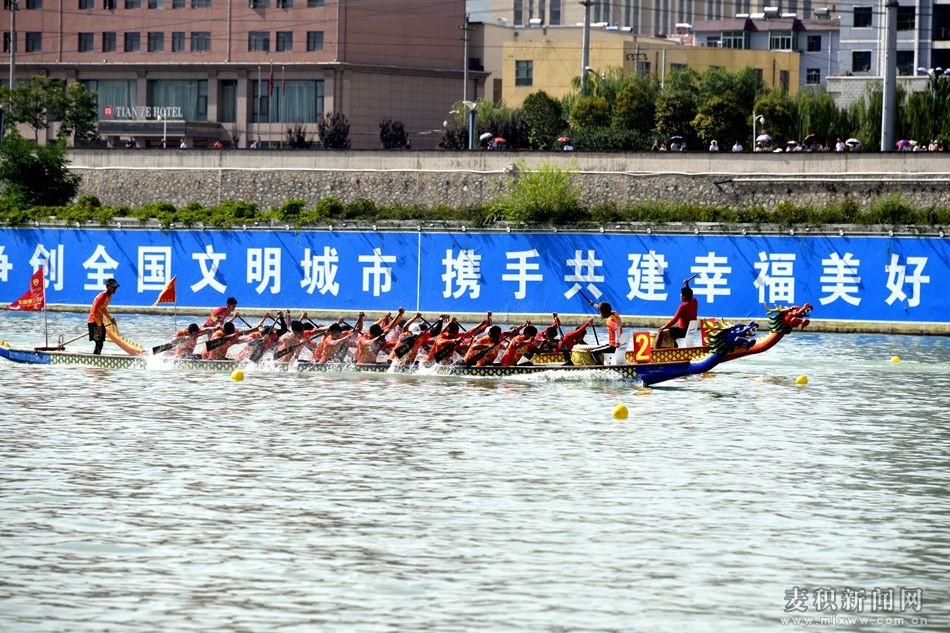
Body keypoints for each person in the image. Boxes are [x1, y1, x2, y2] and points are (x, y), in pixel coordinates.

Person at [655, 283, 700, 349]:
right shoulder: (694, 301)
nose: (680, 295)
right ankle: (675, 348)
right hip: (692, 329)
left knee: (660, 332)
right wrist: (687, 285)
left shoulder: (682, 307)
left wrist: (664, 327)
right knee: (671, 332)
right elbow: (689, 293)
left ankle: (655, 352)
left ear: (683, 297)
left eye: (681, 294)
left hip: (683, 331)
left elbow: (674, 320)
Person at [88, 278, 119, 355]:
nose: (115, 289)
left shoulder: (109, 297)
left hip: (99, 322)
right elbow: (94, 312)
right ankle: (95, 360)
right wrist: (99, 325)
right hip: (93, 322)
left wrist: (110, 319)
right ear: (107, 287)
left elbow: (103, 309)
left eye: (116, 287)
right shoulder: (101, 297)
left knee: (100, 342)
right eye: (113, 287)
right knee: (99, 342)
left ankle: (96, 357)